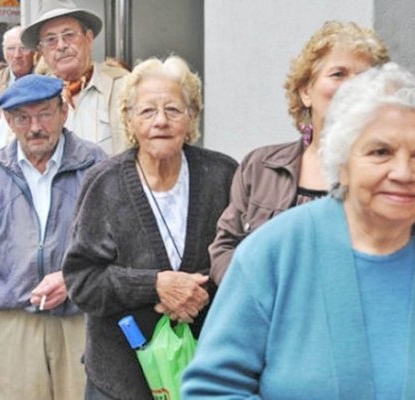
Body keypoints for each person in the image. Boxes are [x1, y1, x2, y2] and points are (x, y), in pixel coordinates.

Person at [183, 62, 415, 399]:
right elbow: (213, 390)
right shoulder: (276, 251)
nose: (403, 172)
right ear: (342, 163)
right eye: (380, 152)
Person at [62, 56, 238, 399]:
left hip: (208, 371)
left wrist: (195, 291)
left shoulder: (223, 176)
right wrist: (154, 286)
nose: (161, 121)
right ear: (129, 120)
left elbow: (245, 265)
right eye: (147, 111)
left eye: (173, 109)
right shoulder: (104, 184)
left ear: (192, 117)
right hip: (121, 375)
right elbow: (81, 281)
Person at [0, 74, 107, 400]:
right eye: (22, 118)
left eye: (44, 114)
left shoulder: (95, 166)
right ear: (9, 123)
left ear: (63, 112)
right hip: (14, 319)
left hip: (81, 316)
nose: (35, 127)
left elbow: (116, 244)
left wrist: (73, 278)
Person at [209, 21, 390, 284]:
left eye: (363, 78)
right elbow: (225, 249)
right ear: (306, 91)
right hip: (272, 321)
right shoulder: (260, 167)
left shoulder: (394, 173)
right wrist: (257, 296)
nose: (351, 87)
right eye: (338, 74)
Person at [21, 0, 129, 155]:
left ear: (89, 39)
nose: (61, 45)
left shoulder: (123, 88)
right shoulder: (29, 97)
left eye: (69, 35)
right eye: (51, 40)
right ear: (42, 51)